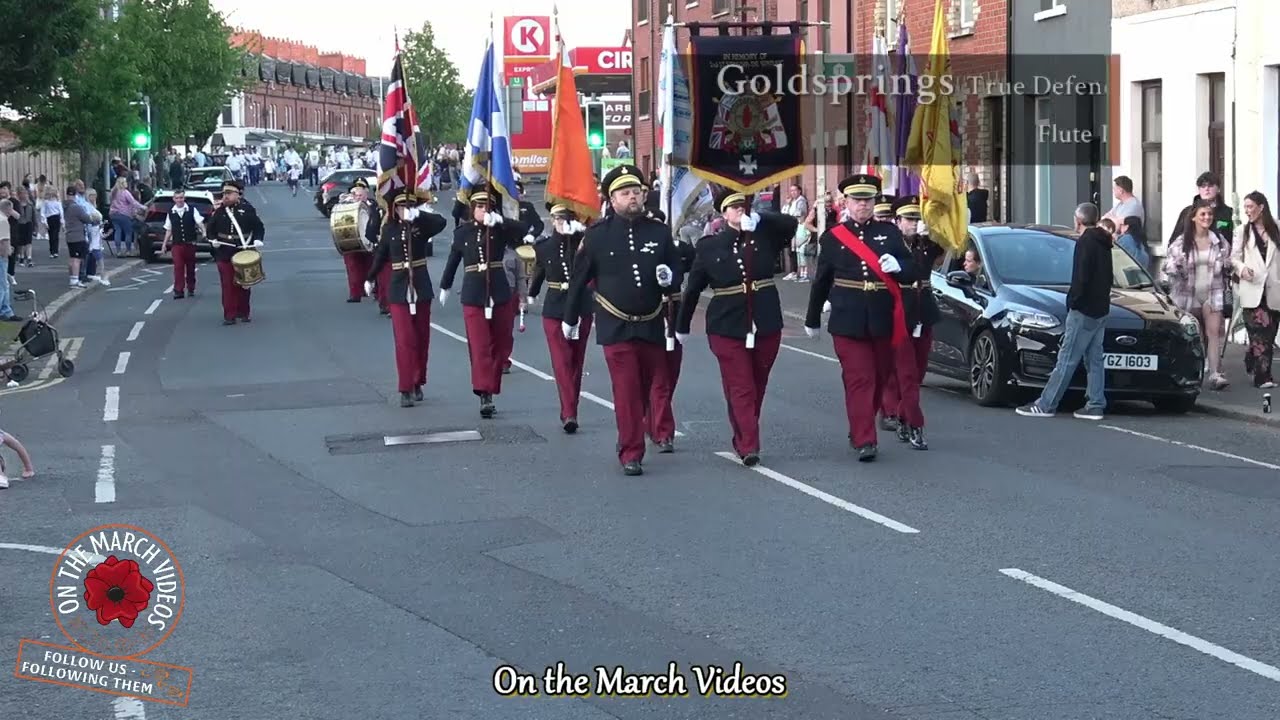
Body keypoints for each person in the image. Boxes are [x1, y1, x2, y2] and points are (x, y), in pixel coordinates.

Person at [563, 165, 684, 476]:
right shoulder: (597, 235)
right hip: (615, 325)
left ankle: (641, 430)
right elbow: (579, 279)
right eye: (625, 193)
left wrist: (670, 277)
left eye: (636, 192)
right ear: (612, 199)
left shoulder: (658, 232)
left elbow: (675, 269)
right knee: (626, 389)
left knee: (646, 387)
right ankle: (630, 450)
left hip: (652, 321)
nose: (632, 197)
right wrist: (570, 318)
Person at [676, 189, 797, 465]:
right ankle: (748, 444)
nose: (739, 211)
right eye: (733, 207)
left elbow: (790, 225)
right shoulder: (710, 246)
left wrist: (760, 218)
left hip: (765, 319)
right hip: (726, 324)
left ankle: (743, 432)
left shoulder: (764, 235)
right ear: (723, 212)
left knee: (757, 383)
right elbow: (693, 288)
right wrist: (681, 325)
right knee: (741, 384)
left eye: (743, 206)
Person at [802, 173, 916, 461]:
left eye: (867, 200)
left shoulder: (890, 233)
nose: (863, 205)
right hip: (847, 317)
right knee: (859, 379)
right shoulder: (833, 238)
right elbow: (822, 282)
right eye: (857, 200)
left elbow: (914, 269)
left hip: (882, 317)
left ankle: (863, 425)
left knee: (879, 377)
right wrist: (812, 318)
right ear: (846, 203)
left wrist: (899, 266)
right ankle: (864, 437)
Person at [1017, 203, 1113, 418]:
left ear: (1077, 220)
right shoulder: (1105, 242)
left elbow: (1081, 278)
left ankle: (1046, 404)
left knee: (1067, 357)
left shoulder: (1085, 242)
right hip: (1102, 308)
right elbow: (1107, 277)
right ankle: (1095, 403)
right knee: (1094, 358)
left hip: (1084, 309)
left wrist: (1073, 303)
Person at [438, 188, 525, 418]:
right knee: (479, 345)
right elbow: (453, 259)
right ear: (471, 209)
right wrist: (445, 285)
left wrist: (500, 221)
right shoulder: (462, 232)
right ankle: (484, 393)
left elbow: (523, 231)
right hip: (474, 293)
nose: (482, 210)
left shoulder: (500, 229)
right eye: (478, 206)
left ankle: (491, 386)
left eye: (487, 206)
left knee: (500, 343)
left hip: (498, 290)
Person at [365, 188, 447, 407]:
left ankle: (418, 380)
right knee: (404, 340)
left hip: (420, 284)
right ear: (395, 209)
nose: (405, 210)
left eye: (409, 206)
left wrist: (418, 214)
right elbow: (381, 255)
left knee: (421, 338)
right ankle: (405, 387)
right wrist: (370, 278)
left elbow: (441, 222)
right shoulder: (389, 229)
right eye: (401, 207)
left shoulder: (421, 226)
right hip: (399, 287)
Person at [884, 195, 942, 450]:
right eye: (909, 218)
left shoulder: (926, 245)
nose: (913, 223)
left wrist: (935, 231)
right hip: (899, 313)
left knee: (918, 372)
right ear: (897, 221)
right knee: (906, 373)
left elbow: (951, 244)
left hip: (924, 310)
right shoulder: (888, 243)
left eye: (916, 218)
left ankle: (903, 414)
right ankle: (915, 424)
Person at [528, 202, 592, 432]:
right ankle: (569, 412)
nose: (560, 223)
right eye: (557, 219)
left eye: (565, 218)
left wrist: (581, 236)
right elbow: (539, 271)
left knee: (576, 360)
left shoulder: (584, 244)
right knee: (561, 361)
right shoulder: (545, 246)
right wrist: (532, 293)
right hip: (555, 308)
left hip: (582, 307)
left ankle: (571, 406)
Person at [648, 212, 695, 454]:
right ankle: (664, 432)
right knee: (659, 380)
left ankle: (653, 419)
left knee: (671, 375)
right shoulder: (641, 251)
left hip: (673, 313)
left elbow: (694, 267)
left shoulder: (680, 249)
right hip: (651, 316)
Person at [1230, 191, 1280, 388]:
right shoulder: (1243, 231)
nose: (1247, 211)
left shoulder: (1276, 228)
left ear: (1262, 207)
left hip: (1274, 290)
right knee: (1259, 335)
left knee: (1270, 332)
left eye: (1250, 207)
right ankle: (1263, 377)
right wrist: (1242, 269)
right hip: (1252, 289)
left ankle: (1252, 357)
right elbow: (1234, 258)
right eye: (1245, 207)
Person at [208, 181, 264, 325]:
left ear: (237, 195)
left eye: (228, 194)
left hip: (243, 250)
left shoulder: (247, 209)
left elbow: (258, 226)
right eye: (224, 194)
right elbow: (210, 229)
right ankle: (229, 315)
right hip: (224, 252)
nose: (225, 197)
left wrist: (258, 239)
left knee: (244, 284)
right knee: (227, 285)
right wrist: (213, 239)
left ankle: (243, 312)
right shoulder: (219, 212)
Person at [341, 179, 379, 303]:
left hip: (369, 241)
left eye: (360, 194)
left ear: (366, 193)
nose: (358, 197)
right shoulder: (346, 205)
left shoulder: (373, 205)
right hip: (352, 240)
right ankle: (355, 293)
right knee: (353, 267)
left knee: (373, 266)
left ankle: (375, 291)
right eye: (356, 194)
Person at [161, 188, 204, 299]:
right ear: (174, 199)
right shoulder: (171, 212)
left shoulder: (192, 210)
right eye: (177, 198)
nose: (179, 200)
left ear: (184, 198)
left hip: (190, 243)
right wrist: (164, 244)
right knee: (178, 267)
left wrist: (204, 231)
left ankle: (191, 287)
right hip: (177, 244)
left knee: (190, 267)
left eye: (181, 197)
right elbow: (169, 230)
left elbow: (199, 222)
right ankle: (178, 290)